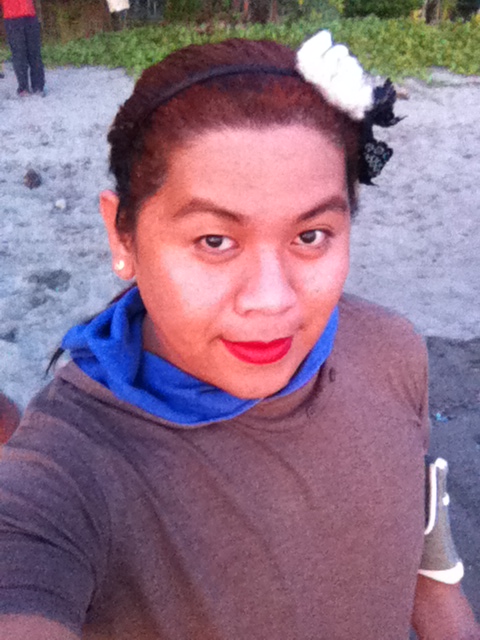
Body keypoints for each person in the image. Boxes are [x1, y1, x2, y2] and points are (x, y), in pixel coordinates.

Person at [0, 32, 479, 640]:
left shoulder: (390, 350)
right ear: (122, 236)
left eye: (310, 236)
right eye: (215, 241)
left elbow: (426, 565)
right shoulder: (67, 473)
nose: (272, 300)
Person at [0, 0, 45, 96]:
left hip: (30, 16)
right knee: (19, 54)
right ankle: (23, 88)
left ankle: (38, 87)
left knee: (35, 53)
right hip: (12, 19)